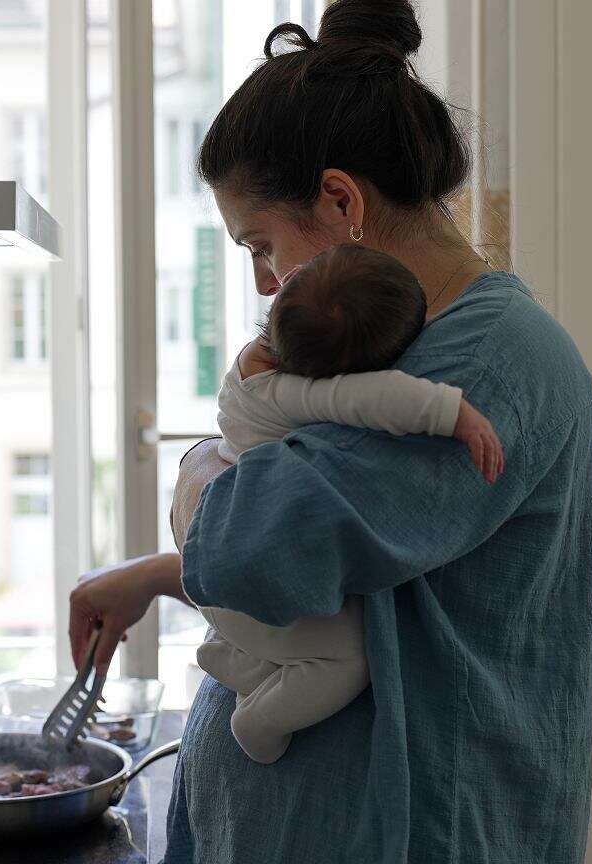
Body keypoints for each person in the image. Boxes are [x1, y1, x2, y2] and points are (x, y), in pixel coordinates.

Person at [68, 0, 592, 860]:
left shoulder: (490, 357)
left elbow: (255, 549)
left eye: (261, 245)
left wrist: (199, 475)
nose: (267, 285)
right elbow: (335, 552)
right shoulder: (400, 350)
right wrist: (163, 572)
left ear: (342, 202)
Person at [199, 242, 504, 765]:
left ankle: (237, 660)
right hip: (246, 586)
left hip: (228, 585)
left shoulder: (250, 370)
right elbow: (376, 397)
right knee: (349, 658)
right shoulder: (296, 394)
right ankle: (257, 720)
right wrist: (454, 413)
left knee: (302, 644)